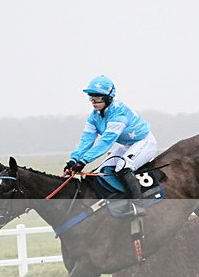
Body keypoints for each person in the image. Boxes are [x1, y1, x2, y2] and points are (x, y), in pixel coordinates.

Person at [65, 75, 157, 215]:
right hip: (127, 145)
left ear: (109, 97)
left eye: (97, 97)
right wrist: (73, 160)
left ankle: (138, 205)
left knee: (123, 167)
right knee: (101, 170)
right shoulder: (94, 117)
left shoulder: (119, 114)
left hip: (144, 142)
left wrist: (83, 161)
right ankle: (117, 199)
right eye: (91, 97)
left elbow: (106, 142)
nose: (93, 101)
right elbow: (86, 140)